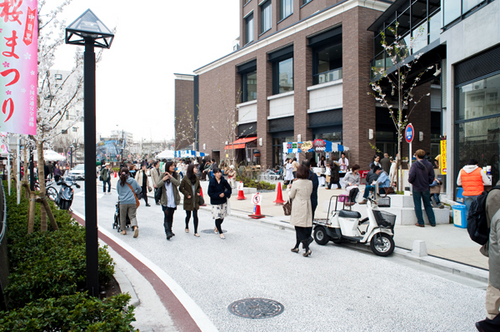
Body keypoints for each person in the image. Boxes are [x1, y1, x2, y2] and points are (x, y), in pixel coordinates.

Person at [476, 184, 500, 331]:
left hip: (495, 255)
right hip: (497, 260)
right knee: (495, 291)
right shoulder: (496, 196)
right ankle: (490, 323)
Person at [289, 165, 314, 257]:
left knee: (298, 228)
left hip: (299, 206)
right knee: (301, 226)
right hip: (307, 205)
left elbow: (291, 195)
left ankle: (307, 248)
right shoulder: (310, 182)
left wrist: (289, 189)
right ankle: (296, 246)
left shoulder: (296, 183)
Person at [408, 149, 436, 227]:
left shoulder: (414, 165)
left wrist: (412, 182)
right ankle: (432, 222)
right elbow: (432, 176)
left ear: (416, 156)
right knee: (428, 204)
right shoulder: (429, 164)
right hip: (426, 187)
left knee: (417, 205)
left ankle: (420, 222)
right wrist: (428, 182)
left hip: (416, 187)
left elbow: (411, 176)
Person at [157, 161, 181, 240]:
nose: (173, 167)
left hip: (173, 198)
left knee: (171, 215)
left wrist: (171, 177)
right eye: (171, 166)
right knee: (166, 215)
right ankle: (167, 232)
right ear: (167, 167)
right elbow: (158, 185)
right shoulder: (162, 175)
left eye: (174, 166)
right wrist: (164, 179)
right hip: (165, 199)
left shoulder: (176, 175)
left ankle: (170, 229)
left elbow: (178, 183)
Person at [116, 167, 142, 238]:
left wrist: (122, 195)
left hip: (123, 201)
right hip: (132, 201)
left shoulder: (119, 181)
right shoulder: (133, 181)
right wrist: (134, 192)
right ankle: (135, 227)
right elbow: (139, 189)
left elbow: (118, 191)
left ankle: (123, 230)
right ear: (128, 173)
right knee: (132, 215)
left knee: (122, 216)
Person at [208, 167, 232, 239]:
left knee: (222, 217)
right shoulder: (212, 181)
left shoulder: (223, 181)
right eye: (217, 173)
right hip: (215, 202)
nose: (219, 174)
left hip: (223, 201)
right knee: (217, 217)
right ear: (214, 174)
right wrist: (218, 195)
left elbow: (229, 189)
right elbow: (210, 193)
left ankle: (216, 227)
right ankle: (220, 232)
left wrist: (225, 194)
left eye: (220, 172)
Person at [179, 164, 201, 237]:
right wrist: (186, 194)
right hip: (189, 199)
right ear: (191, 169)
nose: (196, 169)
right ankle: (186, 226)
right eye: (195, 168)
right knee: (188, 215)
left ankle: (195, 231)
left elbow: (199, 187)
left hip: (195, 200)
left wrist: (198, 192)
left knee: (195, 215)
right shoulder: (185, 178)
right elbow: (181, 188)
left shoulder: (197, 178)